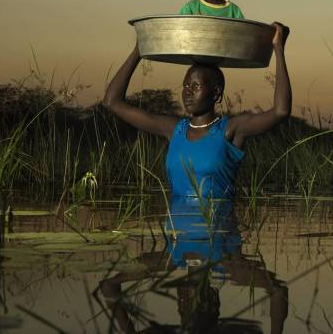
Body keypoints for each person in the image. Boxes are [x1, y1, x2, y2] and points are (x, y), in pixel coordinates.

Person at [102, 22, 291, 201]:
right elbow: (112, 102)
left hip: (217, 231)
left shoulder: (231, 130)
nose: (187, 93)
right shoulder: (174, 130)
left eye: (196, 86)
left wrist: (278, 50)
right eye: (185, 86)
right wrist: (140, 49)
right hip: (177, 230)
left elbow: (281, 111)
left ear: (216, 92)